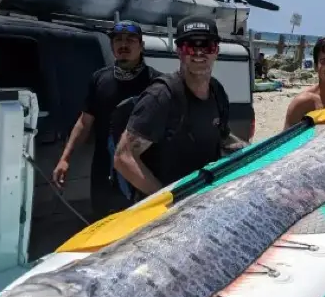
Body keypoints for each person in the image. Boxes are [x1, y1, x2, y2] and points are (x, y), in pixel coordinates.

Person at [113, 16, 248, 199]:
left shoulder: (217, 91)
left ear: (216, 51)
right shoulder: (161, 96)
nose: (198, 54)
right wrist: (167, 198)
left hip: (204, 198)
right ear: (179, 51)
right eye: (190, 46)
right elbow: (123, 157)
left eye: (207, 46)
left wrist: (253, 153)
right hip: (170, 208)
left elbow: (223, 137)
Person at [51, 21, 161, 219]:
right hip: (104, 173)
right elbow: (84, 123)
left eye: (130, 40)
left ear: (142, 46)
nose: (123, 45)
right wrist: (65, 159)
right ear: (112, 46)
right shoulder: (99, 79)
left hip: (142, 171)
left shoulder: (157, 83)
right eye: (118, 40)